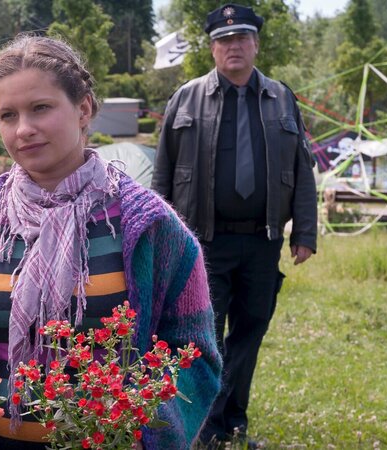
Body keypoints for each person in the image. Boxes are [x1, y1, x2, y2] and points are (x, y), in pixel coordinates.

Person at [0, 34, 222, 449]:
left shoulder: (153, 229)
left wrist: (143, 434)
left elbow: (195, 356)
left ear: (83, 109)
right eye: (8, 115)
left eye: (40, 108)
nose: (24, 129)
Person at [151, 4, 317, 446]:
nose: (234, 46)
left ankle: (233, 421)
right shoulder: (185, 98)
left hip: (262, 242)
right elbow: (162, 173)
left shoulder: (283, 98)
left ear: (255, 45)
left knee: (251, 329)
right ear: (212, 49)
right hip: (202, 243)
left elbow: (303, 170)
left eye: (242, 38)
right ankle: (202, 426)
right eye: (224, 40)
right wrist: (160, 235)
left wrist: (304, 232)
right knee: (203, 337)